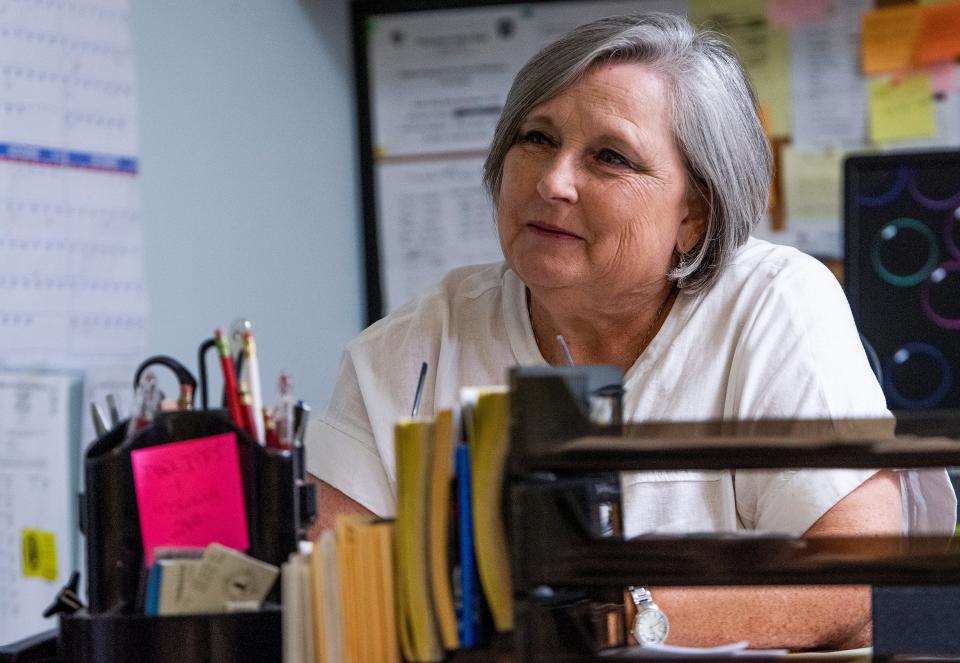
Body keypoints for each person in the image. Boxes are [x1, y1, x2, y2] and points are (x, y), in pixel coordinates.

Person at [306, 12, 956, 650]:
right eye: (535, 138)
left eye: (609, 156)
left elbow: (856, 582)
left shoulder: (774, 304)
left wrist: (614, 615)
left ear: (694, 214)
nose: (554, 181)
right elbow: (338, 594)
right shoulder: (411, 346)